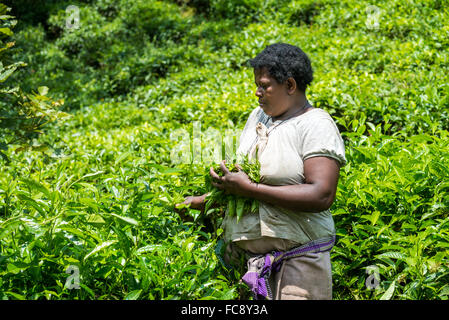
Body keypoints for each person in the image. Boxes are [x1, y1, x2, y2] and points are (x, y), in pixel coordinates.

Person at [176, 43, 346, 300]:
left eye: (264, 86)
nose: (257, 93)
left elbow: (321, 194)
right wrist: (204, 201)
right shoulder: (260, 117)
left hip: (298, 267)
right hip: (247, 265)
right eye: (257, 85)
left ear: (290, 86)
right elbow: (246, 182)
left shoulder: (315, 124)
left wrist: (250, 189)